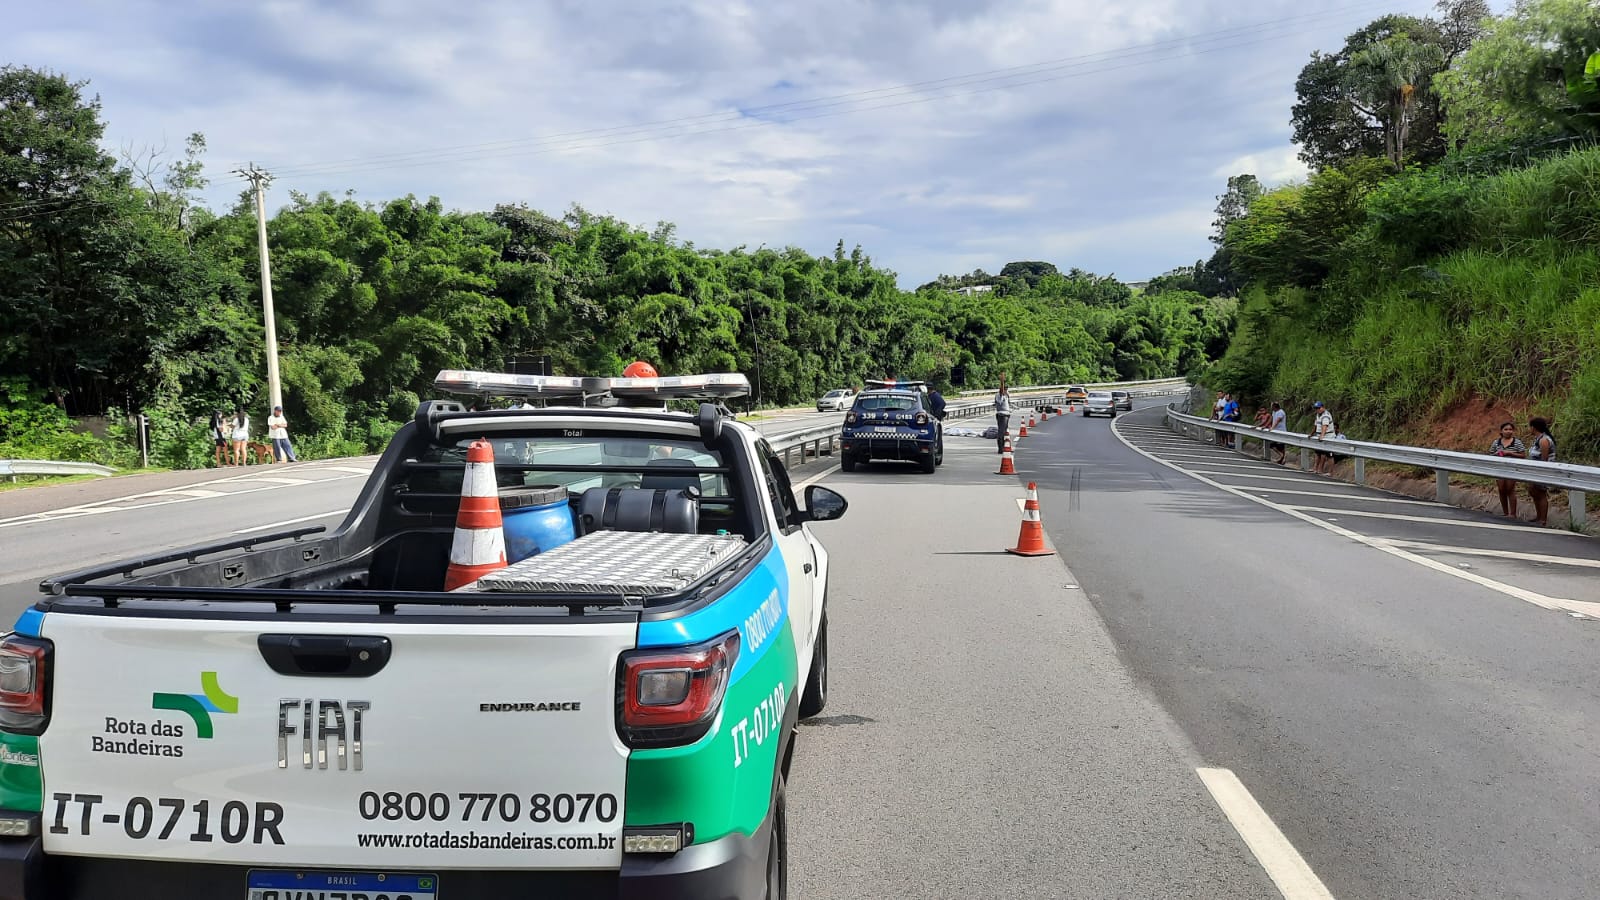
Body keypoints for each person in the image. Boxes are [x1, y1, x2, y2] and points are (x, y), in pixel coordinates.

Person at [1487, 422, 1525, 518]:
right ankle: (1505, 512)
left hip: (1512, 468)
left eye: (1510, 429)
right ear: (1501, 431)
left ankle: (1512, 513)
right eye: (1506, 429)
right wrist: (1497, 454)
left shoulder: (1517, 442)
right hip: (1499, 468)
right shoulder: (1496, 442)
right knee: (1501, 489)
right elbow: (1490, 454)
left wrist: (1510, 453)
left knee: (1510, 489)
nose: (1508, 431)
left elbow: (1523, 455)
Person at [1524, 417, 1557, 526]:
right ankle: (1538, 516)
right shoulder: (1538, 439)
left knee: (1541, 493)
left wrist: (1541, 471)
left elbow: (1544, 458)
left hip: (1541, 471)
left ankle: (1543, 519)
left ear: (1533, 427)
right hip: (1534, 470)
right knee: (1533, 491)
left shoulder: (1544, 440)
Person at [1310, 401, 1335, 475]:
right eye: (1316, 408)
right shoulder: (1318, 415)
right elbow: (1316, 425)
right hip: (1319, 435)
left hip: (1328, 436)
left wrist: (1322, 435)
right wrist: (1311, 433)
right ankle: (1316, 468)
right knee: (1318, 453)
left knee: (1328, 455)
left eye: (1318, 408)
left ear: (1323, 407)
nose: (1317, 410)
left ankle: (1330, 472)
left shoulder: (1325, 415)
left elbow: (1325, 426)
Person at [994, 382, 1012, 454]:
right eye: (1005, 389)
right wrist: (1002, 394)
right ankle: (1000, 448)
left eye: (1007, 389)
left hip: (1006, 414)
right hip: (1002, 415)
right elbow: (1000, 402)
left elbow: (1008, 403)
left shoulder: (1006, 395)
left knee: (1005, 431)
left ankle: (1005, 447)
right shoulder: (998, 395)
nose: (1007, 391)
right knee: (1001, 431)